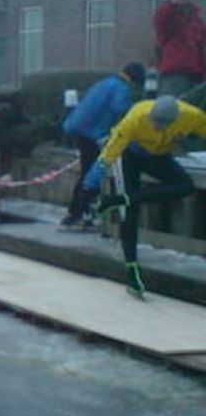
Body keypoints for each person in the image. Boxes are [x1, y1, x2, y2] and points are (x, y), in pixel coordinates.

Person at [81, 96, 206, 297]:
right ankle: (132, 272)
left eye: (163, 125)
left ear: (175, 119)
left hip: (159, 155)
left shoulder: (192, 116)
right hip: (132, 155)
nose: (157, 128)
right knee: (130, 214)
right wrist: (91, 183)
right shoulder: (136, 117)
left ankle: (120, 199)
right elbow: (110, 152)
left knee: (185, 186)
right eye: (154, 123)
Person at [60, 63, 144, 227]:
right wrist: (141, 109)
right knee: (92, 172)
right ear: (135, 79)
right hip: (92, 133)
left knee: (87, 170)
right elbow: (121, 108)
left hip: (78, 127)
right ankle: (80, 211)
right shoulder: (120, 88)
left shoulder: (105, 83)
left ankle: (78, 211)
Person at [153, 0, 206, 97]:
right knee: (174, 109)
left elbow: (201, 45)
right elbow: (160, 20)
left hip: (196, 73)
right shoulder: (167, 13)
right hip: (175, 72)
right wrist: (172, 3)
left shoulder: (196, 18)